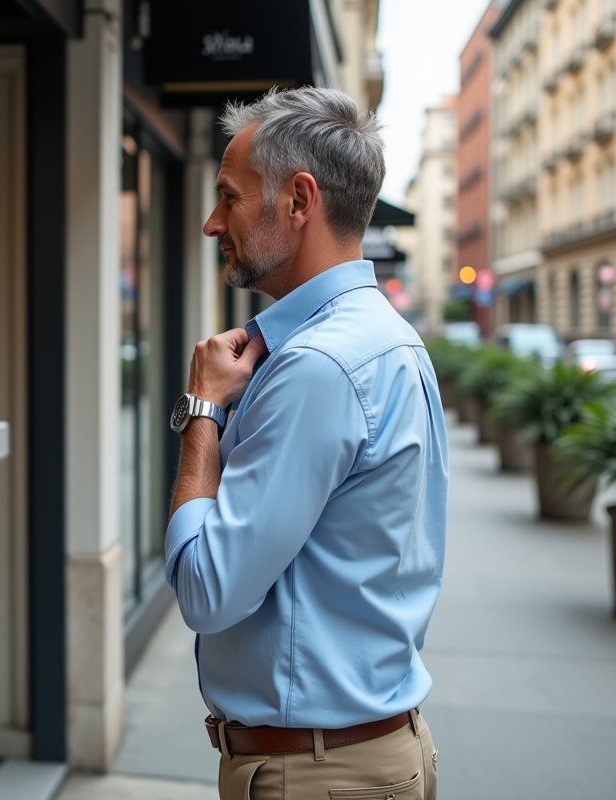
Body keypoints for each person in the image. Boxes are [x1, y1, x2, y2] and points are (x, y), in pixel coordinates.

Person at [165, 87, 447, 800]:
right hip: (353, 756)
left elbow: (206, 588)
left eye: (228, 197)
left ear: (298, 201)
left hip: (317, 774)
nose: (209, 223)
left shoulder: (319, 366)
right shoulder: (387, 340)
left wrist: (203, 407)